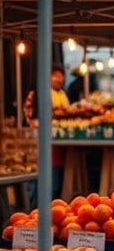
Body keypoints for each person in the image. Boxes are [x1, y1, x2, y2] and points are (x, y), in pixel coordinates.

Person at [24, 65, 70, 202]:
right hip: (38, 146)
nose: (60, 79)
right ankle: (34, 212)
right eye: (56, 76)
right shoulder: (36, 93)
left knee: (54, 184)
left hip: (57, 146)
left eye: (62, 76)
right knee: (36, 185)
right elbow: (28, 118)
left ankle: (51, 213)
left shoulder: (63, 95)